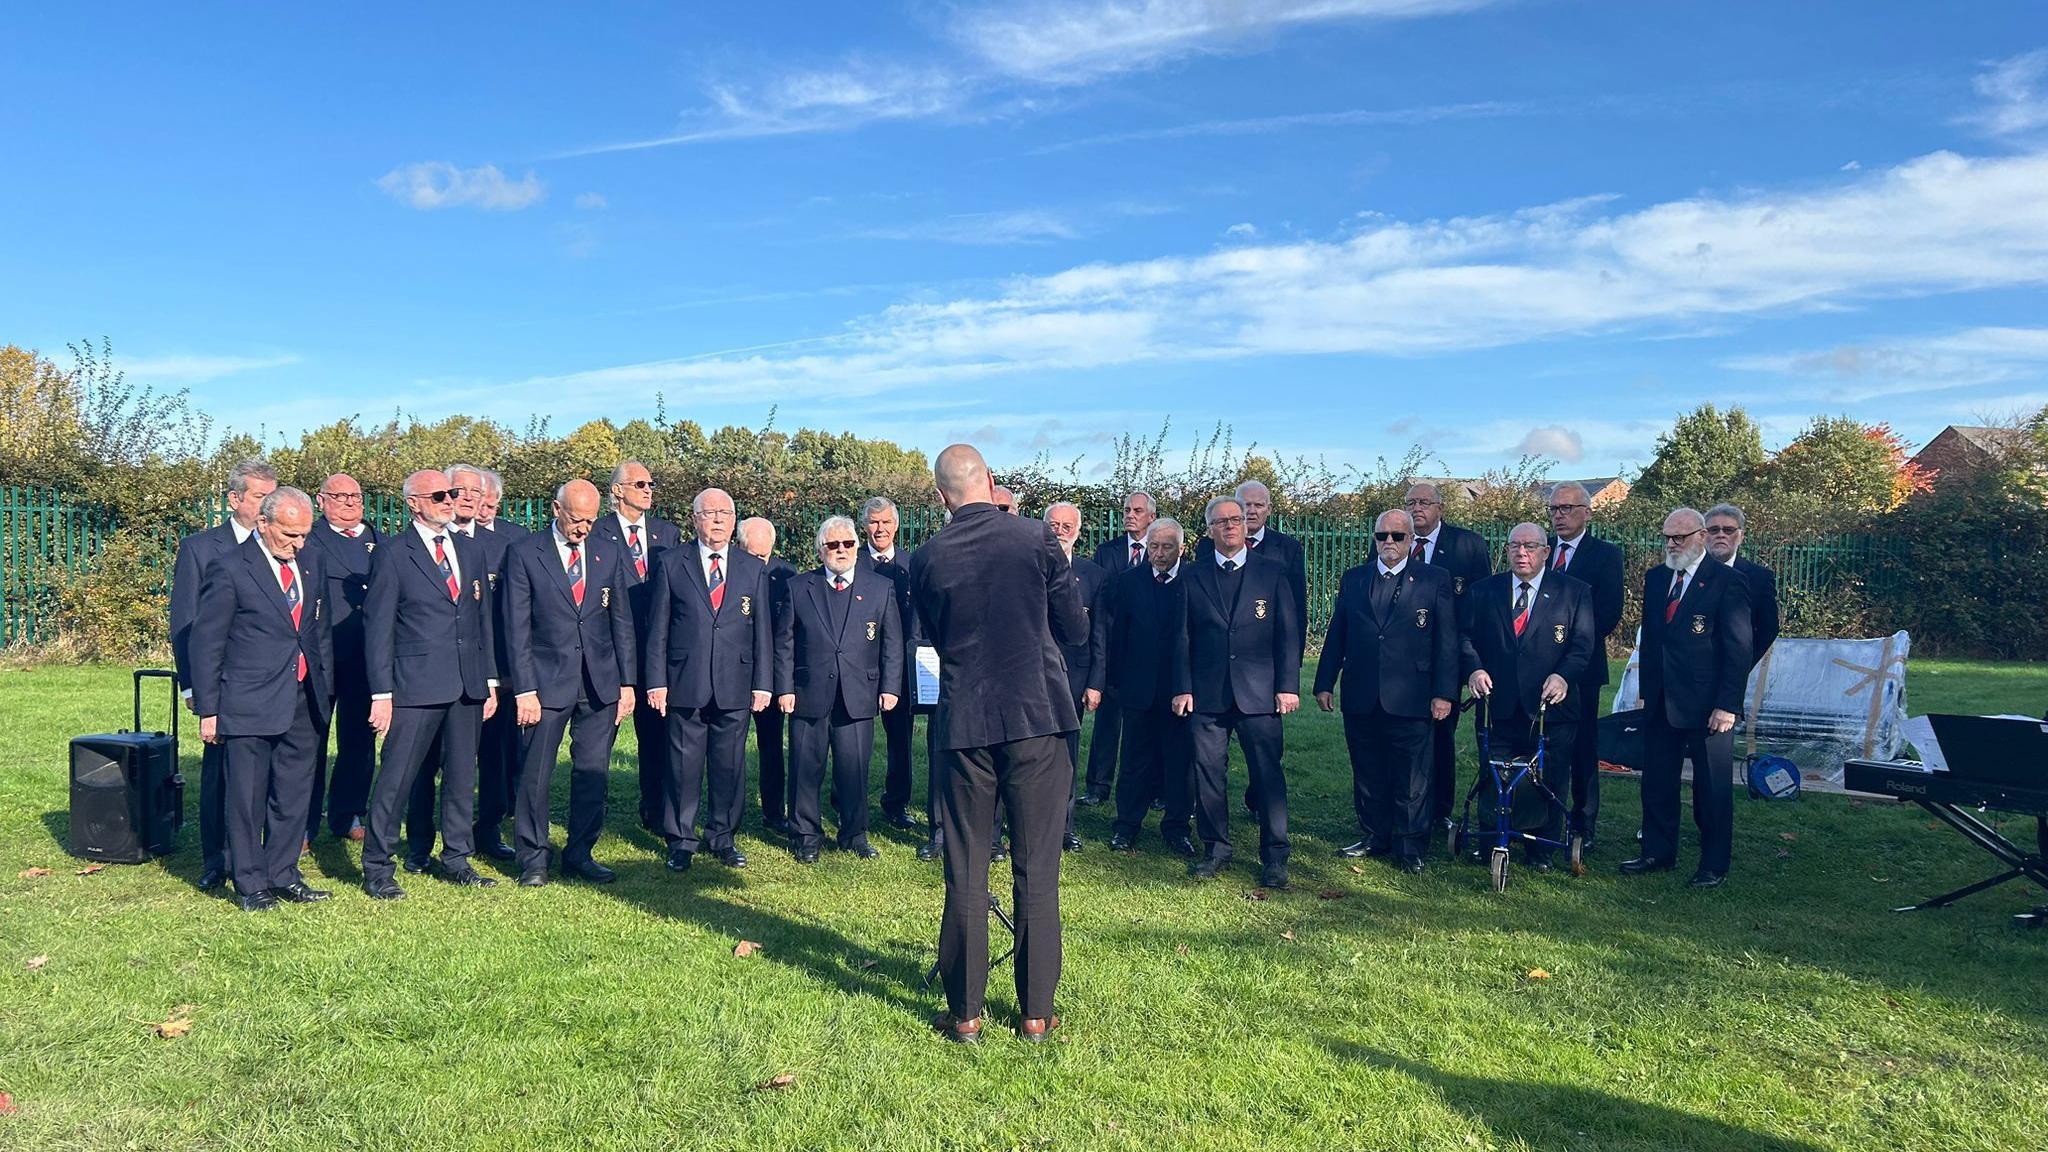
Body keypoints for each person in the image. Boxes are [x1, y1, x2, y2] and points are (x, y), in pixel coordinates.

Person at [910, 444, 1085, 1044]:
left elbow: (933, 634)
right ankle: (1035, 1014)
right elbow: (1075, 628)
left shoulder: (927, 556)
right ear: (991, 482)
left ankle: (965, 1015)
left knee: (966, 868)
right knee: (1037, 868)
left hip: (964, 726)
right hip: (1037, 718)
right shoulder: (1038, 538)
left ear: (941, 497)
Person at [189, 487, 335, 911]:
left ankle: (283, 873)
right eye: (290, 535)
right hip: (248, 700)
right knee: (247, 797)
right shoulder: (230, 567)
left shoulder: (311, 562)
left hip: (303, 698)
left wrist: (321, 685)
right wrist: (209, 709)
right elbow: (208, 642)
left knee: (293, 793)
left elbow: (316, 629)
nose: (299, 544)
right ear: (264, 523)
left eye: (305, 534)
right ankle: (250, 882)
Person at [361, 470, 500, 898]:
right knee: (397, 777)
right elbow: (378, 624)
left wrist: (490, 679)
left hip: (467, 685)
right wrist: (381, 693)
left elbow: (482, 621)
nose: (449, 500)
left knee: (461, 777)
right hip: (415, 685)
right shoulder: (394, 553)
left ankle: (456, 857)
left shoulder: (471, 550)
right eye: (439, 495)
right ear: (414, 504)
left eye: (452, 493)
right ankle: (378, 866)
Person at [503, 480, 637, 887]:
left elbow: (621, 622)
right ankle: (533, 858)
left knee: (593, 772)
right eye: (577, 519)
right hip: (545, 684)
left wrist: (627, 684)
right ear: (555, 510)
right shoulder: (525, 553)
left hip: (599, 683)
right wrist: (525, 689)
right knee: (536, 774)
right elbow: (516, 627)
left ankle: (580, 852)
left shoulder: (608, 552)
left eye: (591, 520)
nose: (583, 528)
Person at [1315, 509, 1457, 875]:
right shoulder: (1355, 579)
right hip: (1362, 693)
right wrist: (1324, 681)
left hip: (1412, 694)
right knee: (1367, 769)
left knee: (1413, 775)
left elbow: (1446, 641)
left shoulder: (1434, 580)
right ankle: (1375, 835)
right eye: (1382, 536)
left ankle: (1410, 846)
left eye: (1397, 536)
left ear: (1411, 540)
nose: (1389, 543)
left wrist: (1444, 693)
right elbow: (1338, 633)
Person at [644, 488, 773, 872]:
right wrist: (656, 681)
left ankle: (722, 836)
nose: (717, 520)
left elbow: (763, 631)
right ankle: (681, 839)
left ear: (734, 521)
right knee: (683, 764)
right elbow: (658, 628)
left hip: (736, 680)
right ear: (695, 519)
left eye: (725, 513)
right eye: (709, 513)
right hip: (686, 679)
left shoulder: (753, 568)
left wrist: (763, 683)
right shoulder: (671, 563)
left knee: (729, 764)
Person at [1624, 507, 1754, 889]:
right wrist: (1647, 692)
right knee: (1658, 781)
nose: (1671, 544)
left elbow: (1739, 647)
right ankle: (1657, 851)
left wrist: (1728, 704)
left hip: (1709, 705)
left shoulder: (1727, 581)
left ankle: (1713, 864)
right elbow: (1651, 642)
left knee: (1712, 786)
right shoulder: (1657, 578)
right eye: (1667, 537)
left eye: (1679, 537)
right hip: (1663, 700)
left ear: (1700, 537)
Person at [1178, 496, 1301, 889]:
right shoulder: (1192, 575)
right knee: (1208, 773)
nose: (1230, 526)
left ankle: (1275, 855)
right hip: (1207, 694)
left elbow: (1287, 633)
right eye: (1221, 521)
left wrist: (1287, 686)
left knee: (1267, 775)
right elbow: (1180, 637)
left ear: (1247, 526)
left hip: (1260, 694)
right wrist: (1182, 687)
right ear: (1210, 529)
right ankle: (1216, 848)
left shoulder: (1272, 572)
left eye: (1236, 519)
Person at [1458, 523, 1597, 867]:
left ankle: (1543, 848)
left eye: (1530, 547)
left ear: (1546, 552)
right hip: (1498, 705)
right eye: (1515, 546)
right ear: (1506, 550)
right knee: (1495, 773)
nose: (1522, 553)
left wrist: (1564, 677)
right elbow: (1464, 639)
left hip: (1551, 706)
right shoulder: (1483, 591)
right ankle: (1490, 840)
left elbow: (1582, 646)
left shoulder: (1573, 592)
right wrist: (1474, 669)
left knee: (1549, 776)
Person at [170, 457, 277, 891]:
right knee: (219, 775)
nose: (268, 505)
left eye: (274, 496)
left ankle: (265, 857)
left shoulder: (282, 544)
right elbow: (186, 621)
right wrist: (195, 686)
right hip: (223, 683)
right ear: (234, 499)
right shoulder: (201, 548)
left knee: (266, 776)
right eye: (260, 497)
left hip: (270, 684)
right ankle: (217, 858)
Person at [773, 516, 903, 863]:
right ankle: (806, 835)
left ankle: (854, 833)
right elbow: (784, 642)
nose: (841, 550)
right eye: (833, 545)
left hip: (858, 694)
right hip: (808, 693)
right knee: (804, 768)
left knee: (854, 769)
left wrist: (890, 686)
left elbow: (892, 642)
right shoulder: (799, 588)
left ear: (857, 548)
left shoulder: (879, 588)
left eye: (847, 544)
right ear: (821, 550)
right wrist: (784, 688)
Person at [1197, 480, 1308, 814]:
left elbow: (1293, 618)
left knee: (1266, 761)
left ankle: (1263, 812)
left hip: (1260, 677)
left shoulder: (1285, 553)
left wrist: (1288, 680)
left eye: (1258, 505)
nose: (1251, 511)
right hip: (1213, 679)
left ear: (1267, 510)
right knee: (1209, 764)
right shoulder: (1207, 551)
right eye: (1246, 505)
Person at [1088, 516, 1193, 858]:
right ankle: (1126, 826)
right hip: (1137, 688)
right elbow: (1116, 635)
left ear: (1182, 548)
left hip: (1180, 689)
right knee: (1134, 760)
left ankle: (1177, 828)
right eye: (1154, 547)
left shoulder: (1194, 581)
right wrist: (1114, 681)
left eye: (1167, 547)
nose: (1159, 554)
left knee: (1179, 761)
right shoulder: (1128, 582)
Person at [593, 460, 683, 834]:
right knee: (599, 739)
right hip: (611, 650)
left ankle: (656, 810)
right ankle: (591, 814)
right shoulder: (597, 533)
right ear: (617, 491)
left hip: (658, 652)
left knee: (658, 737)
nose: (649, 490)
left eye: (651, 483)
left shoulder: (668, 533)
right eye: (640, 483)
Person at [1405, 481, 1494, 840]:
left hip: (1448, 655)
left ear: (1441, 507)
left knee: (1441, 734)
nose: (1417, 509)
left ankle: (1440, 810)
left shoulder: (1467, 544)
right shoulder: (1394, 538)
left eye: (1424, 502)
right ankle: (1404, 805)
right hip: (1403, 660)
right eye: (1411, 502)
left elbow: (1483, 600)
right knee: (1405, 733)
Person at [442, 462, 520, 863]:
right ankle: (426, 836)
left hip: (494, 668)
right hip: (439, 669)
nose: (471, 499)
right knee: (436, 758)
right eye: (461, 491)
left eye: (478, 493)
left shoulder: (506, 543)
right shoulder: (432, 540)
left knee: (495, 753)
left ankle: (487, 829)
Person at [300, 472, 379, 846]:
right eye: (340, 496)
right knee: (311, 740)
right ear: (321, 500)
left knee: (360, 740)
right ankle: (303, 822)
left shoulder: (377, 538)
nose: (350, 503)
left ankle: (348, 813)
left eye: (356, 496)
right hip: (324, 656)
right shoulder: (309, 540)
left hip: (366, 657)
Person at [1546, 481, 1625, 849]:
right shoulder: (1539, 551)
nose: (1559, 515)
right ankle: (1540, 815)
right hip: (1535, 668)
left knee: (1581, 746)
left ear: (1587, 513)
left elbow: (1608, 613)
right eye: (1554, 510)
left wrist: (1571, 657)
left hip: (1582, 669)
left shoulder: (1605, 555)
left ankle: (1583, 823)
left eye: (1566, 508)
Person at [1080, 490, 1158, 807]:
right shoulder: (1108, 551)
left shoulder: (1160, 547)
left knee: (1148, 724)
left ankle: (1151, 789)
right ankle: (1098, 787)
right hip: (1113, 648)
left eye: (1137, 510)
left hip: (1147, 651)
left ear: (1151, 516)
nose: (1130, 515)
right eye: (1127, 509)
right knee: (1107, 723)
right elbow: (1101, 600)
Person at [1045, 502, 1107, 852]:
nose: (1060, 531)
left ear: (1078, 531)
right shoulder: (1026, 566)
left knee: (1067, 754)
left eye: (1067, 526)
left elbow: (1099, 634)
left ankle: (1064, 827)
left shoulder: (1094, 575)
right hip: (1031, 675)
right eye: (1053, 525)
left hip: (1075, 676)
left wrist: (1096, 682)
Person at [863, 496, 922, 831]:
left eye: (886, 522)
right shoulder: (853, 563)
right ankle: (847, 802)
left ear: (896, 525)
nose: (880, 528)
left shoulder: (911, 565)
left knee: (900, 740)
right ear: (865, 526)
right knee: (852, 738)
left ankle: (896, 803)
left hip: (899, 667)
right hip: (859, 665)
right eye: (873, 522)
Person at [740, 516, 800, 835]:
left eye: (764, 556)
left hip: (774, 675)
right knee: (729, 747)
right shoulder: (730, 571)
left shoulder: (786, 575)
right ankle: (728, 812)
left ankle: (775, 811)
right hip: (735, 672)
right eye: (753, 556)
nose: (759, 563)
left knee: (772, 745)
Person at [1705, 503, 1779, 668]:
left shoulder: (1760, 578)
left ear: (1741, 536)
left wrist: (1741, 665)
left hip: (1731, 679)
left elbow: (1768, 629)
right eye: (1714, 530)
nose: (1721, 535)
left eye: (1729, 530)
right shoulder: (1686, 574)